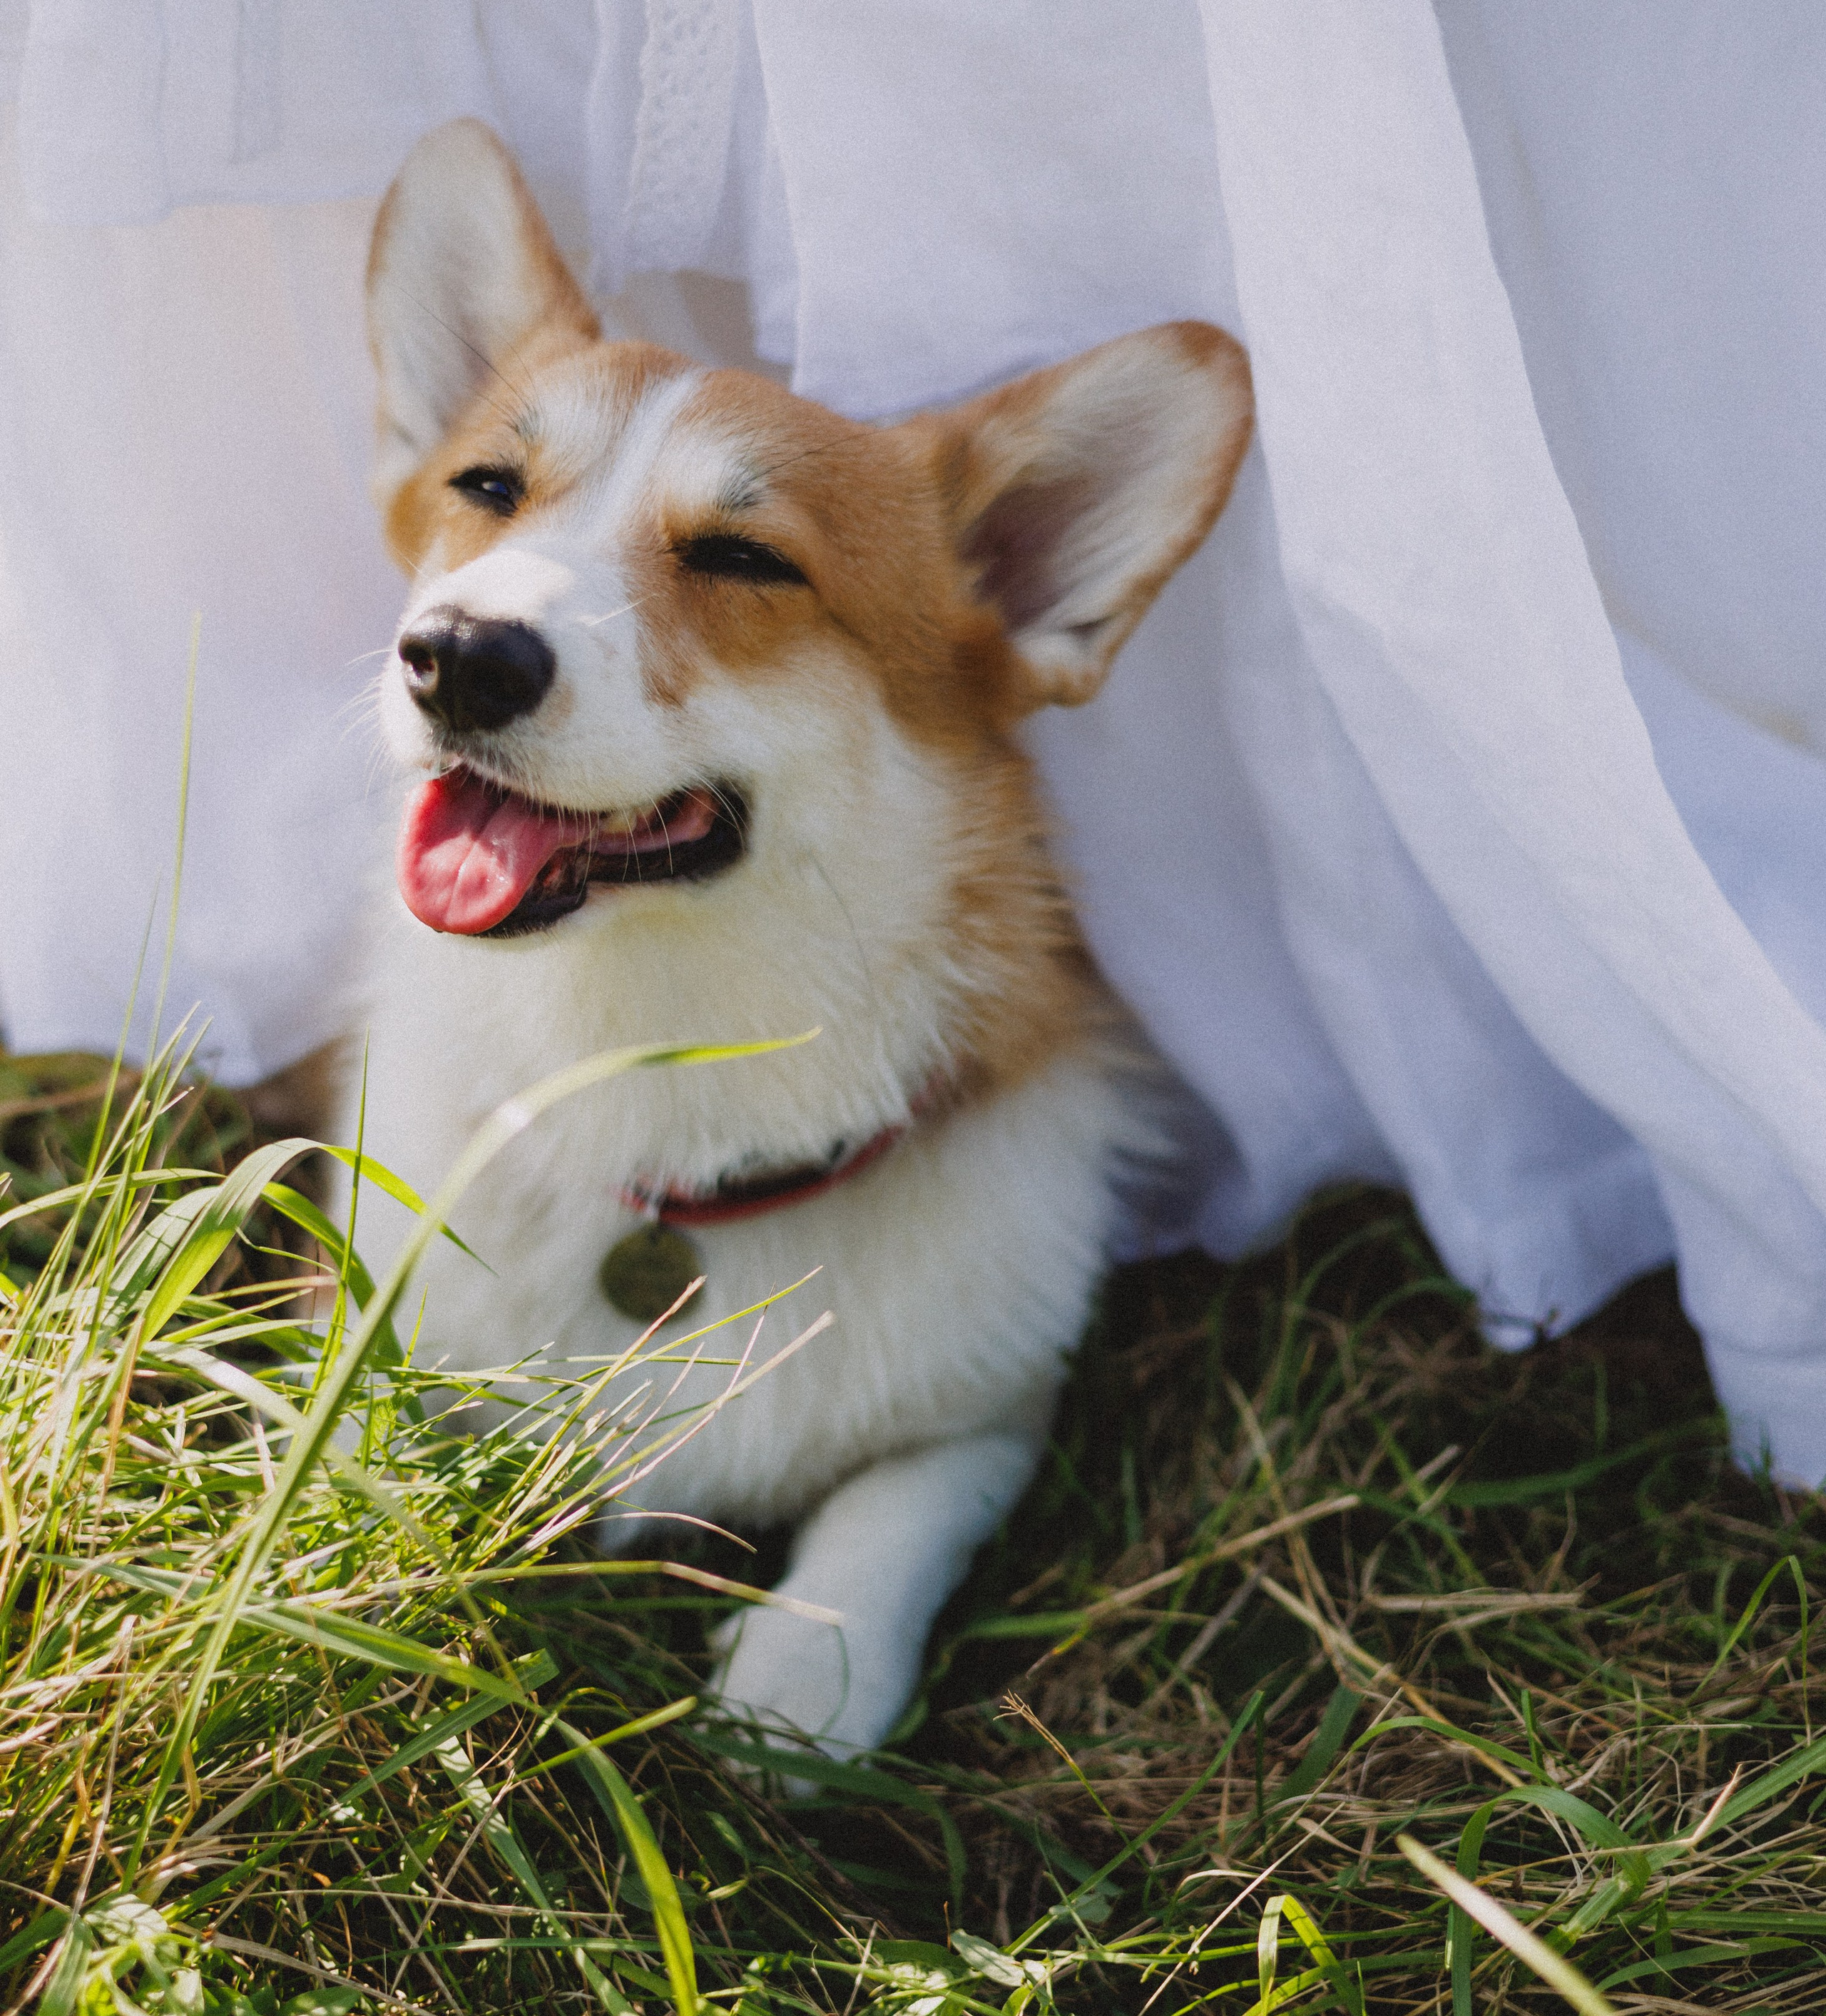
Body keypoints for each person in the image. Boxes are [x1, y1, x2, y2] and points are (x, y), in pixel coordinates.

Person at [4, 0, 1825, 1479]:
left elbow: (967, 1430)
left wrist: (857, 1599)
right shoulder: (389, 1125)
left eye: (733, 561)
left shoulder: (1008, 1236)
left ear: (1023, 596)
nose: (482, 628)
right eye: (491, 487)